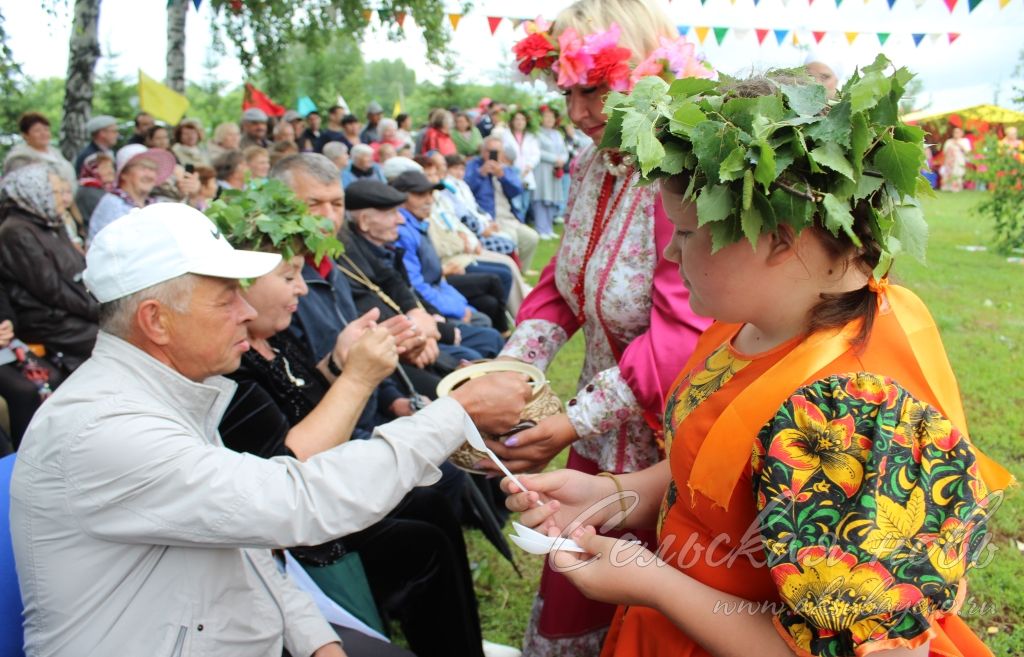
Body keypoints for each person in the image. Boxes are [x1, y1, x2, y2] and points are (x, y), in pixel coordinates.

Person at [504, 67, 1013, 657]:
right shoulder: (746, 324)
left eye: (688, 233)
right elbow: (718, 464)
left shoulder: (843, 414)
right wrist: (611, 494)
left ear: (779, 239)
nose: (669, 250)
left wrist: (652, 582)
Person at [9, 200, 531, 657]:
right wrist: (455, 413)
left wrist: (313, 637)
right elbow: (297, 502)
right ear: (156, 321)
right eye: (225, 298)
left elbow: (239, 547)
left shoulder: (161, 395)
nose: (245, 310)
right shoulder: (105, 429)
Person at [495, 2, 712, 654]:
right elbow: (564, 286)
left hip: (666, 443)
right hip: (599, 432)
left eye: (595, 89)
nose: (579, 112)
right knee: (577, 588)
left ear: (646, 74)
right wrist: (505, 375)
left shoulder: (678, 173)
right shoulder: (594, 163)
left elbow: (682, 336)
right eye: (567, 91)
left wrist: (567, 423)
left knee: (645, 604)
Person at [340, 179, 505, 364]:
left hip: (422, 321)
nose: (400, 219)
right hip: (403, 343)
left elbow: (406, 289)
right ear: (364, 222)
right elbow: (381, 308)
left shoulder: (383, 249)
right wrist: (435, 328)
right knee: (480, 346)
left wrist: (433, 316)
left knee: (489, 332)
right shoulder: (355, 261)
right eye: (392, 213)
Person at [0, 164, 98, 373]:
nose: (64, 199)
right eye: (54, 192)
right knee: (117, 340)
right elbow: (51, 289)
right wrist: (97, 310)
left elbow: (80, 269)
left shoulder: (50, 222)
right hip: (47, 321)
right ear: (35, 193)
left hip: (72, 310)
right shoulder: (15, 231)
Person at [393, 170, 508, 332]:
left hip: (440, 289)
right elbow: (417, 286)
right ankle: (505, 338)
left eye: (430, 194)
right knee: (486, 326)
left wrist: (462, 307)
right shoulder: (403, 231)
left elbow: (437, 280)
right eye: (420, 195)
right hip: (425, 307)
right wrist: (459, 310)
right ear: (400, 199)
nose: (429, 200)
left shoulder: (418, 225)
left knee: (489, 303)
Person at [464, 135, 540, 274]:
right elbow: (465, 189)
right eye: (488, 150)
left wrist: (502, 176)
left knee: (531, 237)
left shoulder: (505, 168)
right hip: (489, 218)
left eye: (496, 151)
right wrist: (480, 174)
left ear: (502, 153)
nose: (491, 155)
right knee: (512, 238)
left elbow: (517, 190)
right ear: (482, 151)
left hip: (509, 217)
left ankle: (520, 272)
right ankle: (512, 274)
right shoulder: (473, 166)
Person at [87, 144, 176, 242]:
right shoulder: (113, 203)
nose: (149, 175)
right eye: (143, 168)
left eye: (153, 170)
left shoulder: (154, 203)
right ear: (124, 174)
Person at [4, 112, 77, 186]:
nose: (43, 133)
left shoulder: (55, 153)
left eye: (46, 129)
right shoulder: (19, 159)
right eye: (37, 130)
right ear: (25, 135)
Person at [532, 106, 569, 239]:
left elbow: (564, 151)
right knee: (542, 197)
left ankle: (549, 228)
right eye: (546, 117)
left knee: (553, 198)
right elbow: (537, 151)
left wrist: (562, 160)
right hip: (542, 169)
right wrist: (555, 159)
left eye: (552, 117)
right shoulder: (536, 133)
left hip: (555, 170)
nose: (549, 119)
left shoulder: (557, 134)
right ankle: (541, 228)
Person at [74, 151, 115, 223]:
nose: (111, 171)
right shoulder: (88, 191)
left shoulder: (105, 189)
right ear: (92, 169)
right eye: (105, 167)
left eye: (111, 167)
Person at [940, 126, 972, 192]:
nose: (956, 133)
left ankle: (956, 188)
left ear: (961, 133)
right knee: (948, 173)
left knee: (957, 173)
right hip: (949, 161)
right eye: (955, 132)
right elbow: (944, 151)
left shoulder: (964, 141)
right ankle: (946, 188)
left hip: (959, 160)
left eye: (958, 132)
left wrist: (959, 145)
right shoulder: (949, 141)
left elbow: (967, 151)